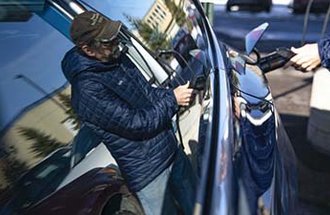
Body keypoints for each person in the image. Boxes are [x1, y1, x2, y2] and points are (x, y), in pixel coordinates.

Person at [61, 11, 196, 215]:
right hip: (149, 174)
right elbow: (135, 123)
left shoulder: (117, 58)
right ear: (88, 49)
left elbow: (148, 94)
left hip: (171, 151)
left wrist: (177, 96)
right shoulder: (87, 90)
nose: (115, 43)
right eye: (107, 41)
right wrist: (172, 100)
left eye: (115, 36)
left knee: (201, 206)